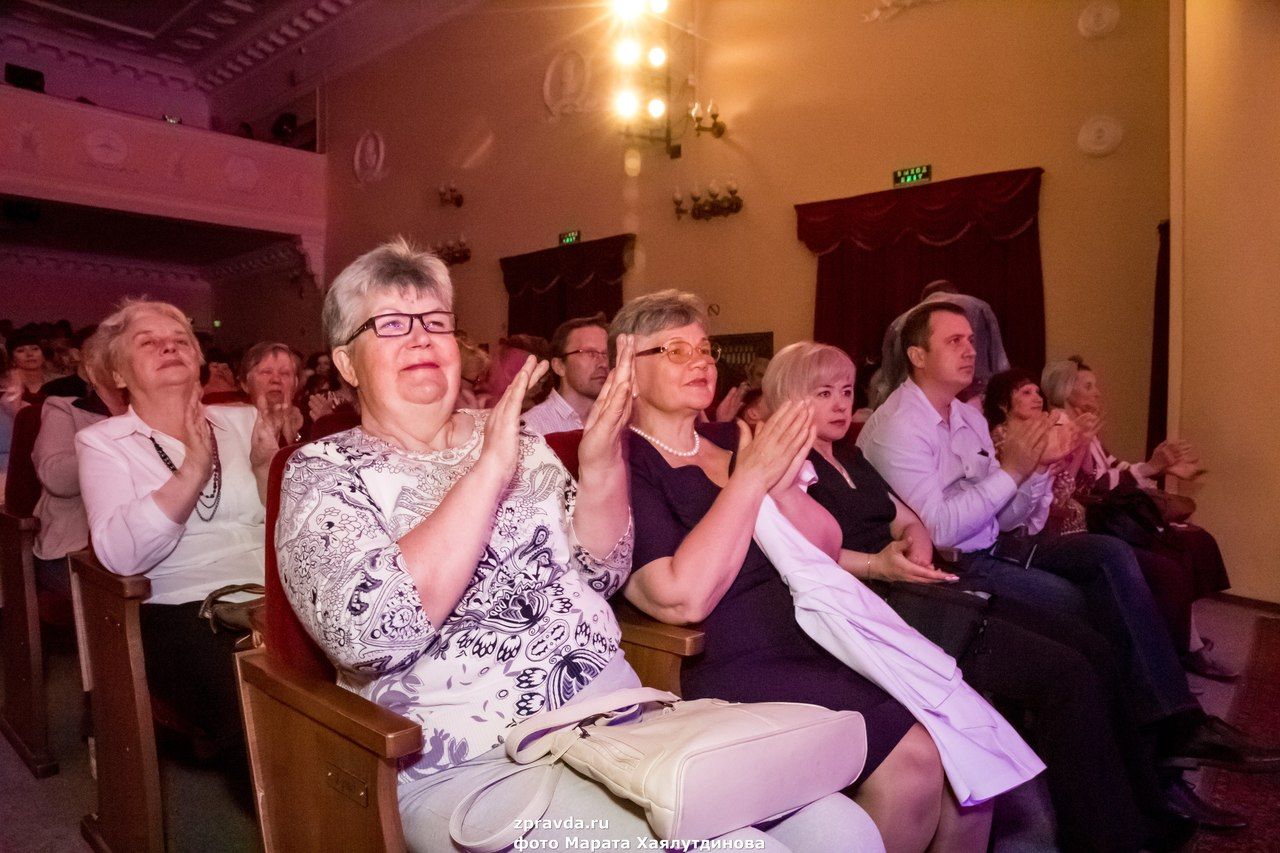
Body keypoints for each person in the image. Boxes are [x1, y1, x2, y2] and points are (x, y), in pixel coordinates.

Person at [276, 240, 874, 852]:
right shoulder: (322, 472)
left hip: (615, 720)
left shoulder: (516, 438)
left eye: (435, 322)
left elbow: (603, 570)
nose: (422, 338)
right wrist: (488, 471)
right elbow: (373, 637)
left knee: (844, 830)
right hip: (474, 761)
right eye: (392, 325)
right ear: (347, 363)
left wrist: (600, 465)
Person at [768, 341, 1224, 846]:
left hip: (928, 584)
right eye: (824, 392)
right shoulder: (788, 466)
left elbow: (912, 520)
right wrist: (884, 565)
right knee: (1067, 675)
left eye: (846, 392)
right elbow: (804, 554)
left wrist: (914, 550)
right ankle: (1112, 835)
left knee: (1093, 645)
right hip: (882, 607)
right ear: (790, 397)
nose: (839, 403)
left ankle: (1148, 803)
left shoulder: (850, 456)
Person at [616, 289, 1001, 853]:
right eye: (675, 349)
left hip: (814, 624)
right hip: (728, 654)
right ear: (630, 368)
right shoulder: (627, 461)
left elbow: (823, 546)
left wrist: (782, 481)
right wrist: (752, 482)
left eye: (704, 349)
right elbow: (681, 599)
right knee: (918, 760)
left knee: (971, 754)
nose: (701, 361)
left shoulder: (732, 438)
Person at [857, 302, 1280, 781]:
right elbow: (939, 530)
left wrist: (1037, 470)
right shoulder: (898, 427)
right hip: (950, 568)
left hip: (996, 546)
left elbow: (1010, 514)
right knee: (1081, 606)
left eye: (972, 340)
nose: (970, 350)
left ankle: (1174, 722)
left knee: (1110, 554)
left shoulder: (966, 418)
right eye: (954, 341)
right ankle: (1146, 753)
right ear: (916, 354)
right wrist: (1016, 469)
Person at [76, 299, 293, 774]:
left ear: (199, 360)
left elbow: (289, 530)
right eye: (148, 342)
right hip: (182, 606)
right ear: (117, 373)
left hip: (272, 589)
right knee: (257, 705)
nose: (168, 347)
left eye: (180, 341)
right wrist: (193, 468)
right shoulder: (104, 442)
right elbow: (119, 557)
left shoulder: (242, 421)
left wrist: (265, 472)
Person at [1040, 357, 1234, 679]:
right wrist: (1151, 469)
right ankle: (1183, 648)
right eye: (1089, 386)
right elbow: (1093, 485)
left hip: (1106, 517)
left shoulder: (1083, 427)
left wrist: (1157, 465)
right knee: (1173, 559)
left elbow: (1115, 468)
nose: (1098, 393)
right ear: (1066, 390)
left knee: (1192, 544)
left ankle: (1184, 641)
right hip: (1087, 525)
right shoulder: (1063, 428)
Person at [32, 330, 128, 601]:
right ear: (90, 372)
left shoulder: (158, 415)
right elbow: (57, 479)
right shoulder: (64, 409)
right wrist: (121, 437)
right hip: (75, 548)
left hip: (148, 546)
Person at [869, 280, 1009, 409]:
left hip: (916, 404)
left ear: (923, 300)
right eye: (955, 340)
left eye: (971, 341)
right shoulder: (979, 307)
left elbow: (888, 380)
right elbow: (1000, 362)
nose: (972, 352)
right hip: (976, 400)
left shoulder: (897, 323)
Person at [521, 314, 610, 435]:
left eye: (606, 354)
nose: (603, 363)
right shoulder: (531, 428)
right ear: (559, 366)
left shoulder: (617, 421)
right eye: (590, 353)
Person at [238, 342, 304, 443]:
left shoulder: (311, 427)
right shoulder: (228, 427)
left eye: (284, 373)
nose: (276, 379)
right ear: (245, 384)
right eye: (266, 372)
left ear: (295, 385)